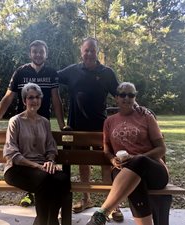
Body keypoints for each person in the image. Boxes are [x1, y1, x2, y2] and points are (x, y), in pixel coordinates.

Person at [0, 40, 67, 206]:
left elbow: (56, 99)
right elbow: (8, 97)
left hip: (42, 121)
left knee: (38, 154)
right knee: (27, 155)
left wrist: (62, 125)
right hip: (23, 121)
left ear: (46, 54)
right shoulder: (20, 72)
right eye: (34, 51)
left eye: (41, 51)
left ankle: (36, 196)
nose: (38, 54)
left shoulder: (51, 73)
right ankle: (31, 194)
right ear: (30, 54)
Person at [58, 37, 124, 221]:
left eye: (92, 50)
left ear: (97, 52)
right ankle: (86, 199)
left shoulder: (107, 73)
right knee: (83, 163)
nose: (89, 53)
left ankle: (111, 204)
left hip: (100, 127)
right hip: (77, 128)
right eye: (86, 50)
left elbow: (120, 95)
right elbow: (51, 77)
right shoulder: (72, 71)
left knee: (106, 163)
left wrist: (136, 109)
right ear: (81, 52)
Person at [86, 82, 169, 225]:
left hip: (153, 170)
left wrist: (136, 157)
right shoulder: (109, 121)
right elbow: (107, 150)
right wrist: (112, 160)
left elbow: (162, 149)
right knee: (135, 180)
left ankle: (102, 213)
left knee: (139, 161)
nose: (127, 98)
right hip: (122, 170)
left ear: (135, 97)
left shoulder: (146, 117)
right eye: (123, 95)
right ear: (116, 98)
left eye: (131, 95)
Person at [3, 82, 70, 225]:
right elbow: (12, 153)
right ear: (24, 101)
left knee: (63, 179)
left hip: (42, 169)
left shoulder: (44, 122)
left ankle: (48, 220)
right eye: (30, 97)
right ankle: (48, 222)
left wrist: (50, 161)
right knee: (46, 181)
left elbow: (51, 147)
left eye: (38, 97)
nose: (35, 100)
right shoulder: (15, 121)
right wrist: (36, 166)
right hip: (17, 169)